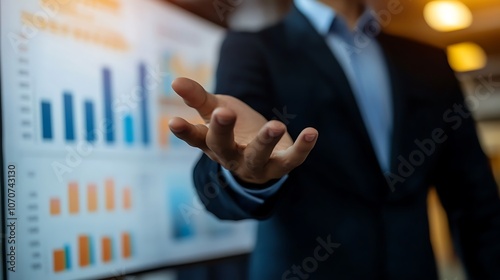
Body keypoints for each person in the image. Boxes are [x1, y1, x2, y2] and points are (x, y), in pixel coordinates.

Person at [168, 0, 500, 279]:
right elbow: (238, 148)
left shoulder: (430, 63)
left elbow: (475, 199)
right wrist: (245, 176)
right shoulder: (253, 48)